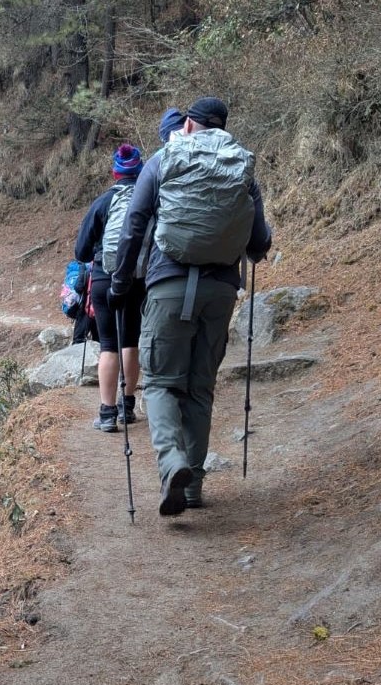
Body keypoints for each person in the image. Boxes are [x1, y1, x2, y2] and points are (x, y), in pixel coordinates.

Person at [109, 97, 272, 516]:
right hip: (219, 291)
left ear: (187, 126)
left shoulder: (164, 159)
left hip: (168, 284)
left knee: (161, 383)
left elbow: (135, 222)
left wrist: (121, 281)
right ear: (221, 127)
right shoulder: (240, 166)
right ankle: (194, 485)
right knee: (200, 388)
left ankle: (172, 464)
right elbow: (259, 243)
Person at [73, 143, 146, 432]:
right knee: (131, 341)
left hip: (105, 277)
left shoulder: (104, 202)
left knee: (108, 344)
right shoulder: (149, 201)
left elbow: (81, 252)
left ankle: (106, 414)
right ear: (140, 171)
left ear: (115, 173)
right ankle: (127, 408)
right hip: (137, 278)